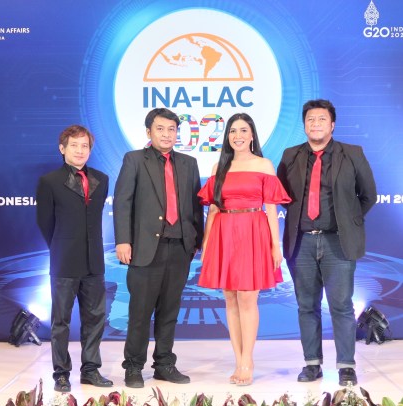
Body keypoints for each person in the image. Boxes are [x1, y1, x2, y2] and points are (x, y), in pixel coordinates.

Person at [277, 99, 378, 386]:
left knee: (342, 306)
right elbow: (283, 195)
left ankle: (346, 366)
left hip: (338, 242)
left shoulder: (352, 153)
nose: (316, 124)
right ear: (304, 125)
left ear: (332, 124)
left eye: (321, 119)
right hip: (302, 243)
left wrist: (348, 219)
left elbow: (368, 195)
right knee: (306, 306)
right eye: (310, 119)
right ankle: (312, 364)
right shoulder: (291, 155)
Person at [113, 108, 203, 388]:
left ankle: (164, 364)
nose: (166, 134)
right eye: (160, 129)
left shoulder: (189, 163)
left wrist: (196, 241)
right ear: (149, 132)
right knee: (140, 312)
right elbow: (122, 202)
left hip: (180, 249)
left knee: (169, 311)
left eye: (172, 129)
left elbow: (195, 206)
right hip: (144, 248)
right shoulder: (134, 160)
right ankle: (133, 367)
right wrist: (123, 240)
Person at [198, 113, 290, 386]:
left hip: (253, 232)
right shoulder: (218, 167)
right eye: (232, 131)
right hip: (224, 232)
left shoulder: (264, 165)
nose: (237, 136)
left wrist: (275, 245)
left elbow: (271, 208)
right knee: (230, 297)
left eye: (243, 130)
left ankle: (248, 361)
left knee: (248, 297)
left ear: (252, 135)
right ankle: (238, 360)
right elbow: (213, 209)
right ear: (227, 136)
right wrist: (206, 242)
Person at [36, 125, 114, 393]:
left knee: (95, 318)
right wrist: (61, 245)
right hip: (64, 260)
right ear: (62, 148)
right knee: (61, 321)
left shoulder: (102, 179)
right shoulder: (49, 181)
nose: (80, 151)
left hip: (94, 261)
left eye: (85, 146)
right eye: (74, 145)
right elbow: (45, 223)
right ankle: (61, 373)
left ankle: (90, 370)